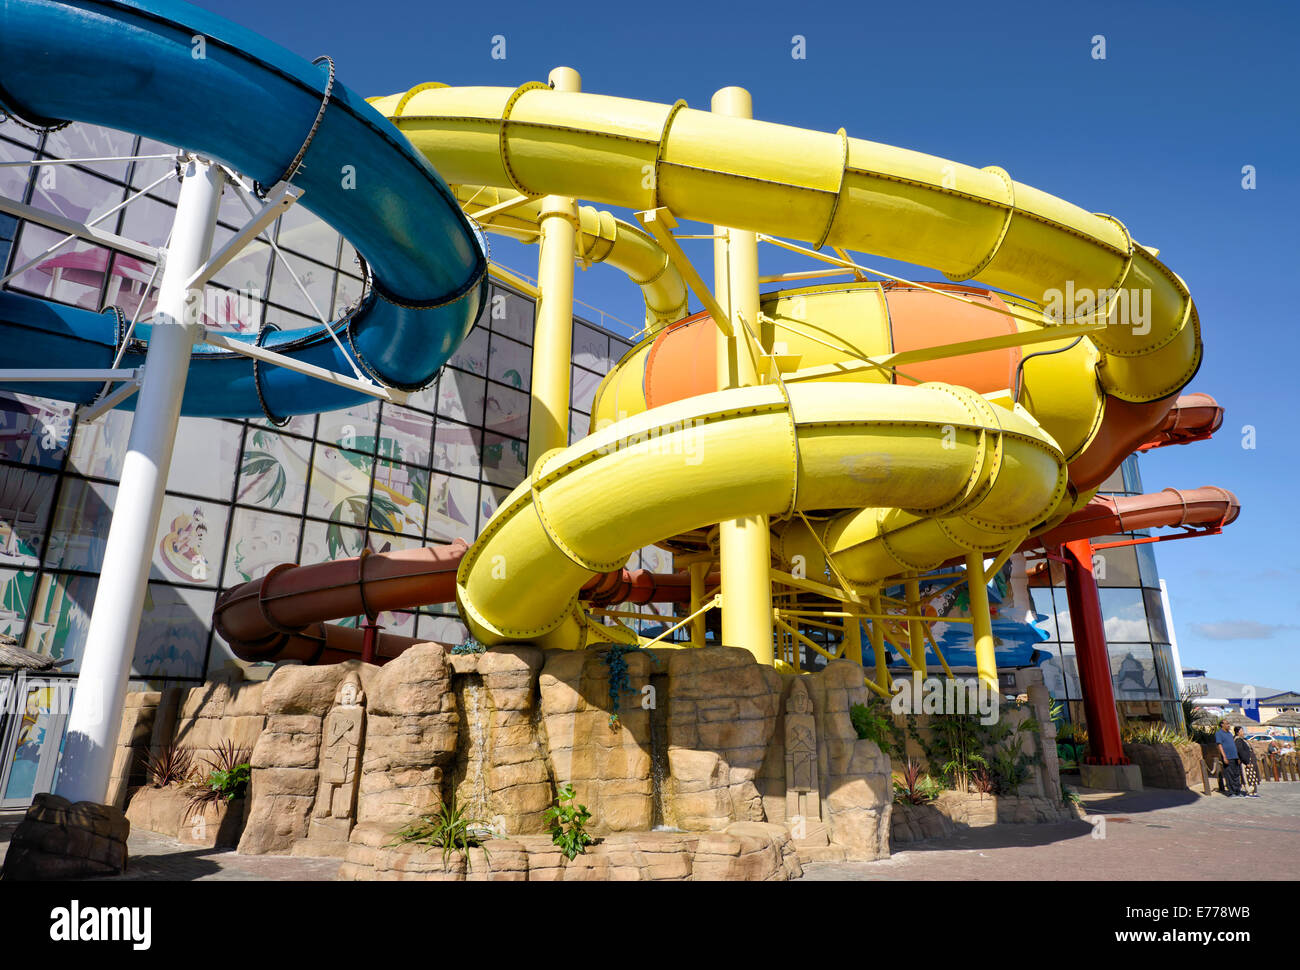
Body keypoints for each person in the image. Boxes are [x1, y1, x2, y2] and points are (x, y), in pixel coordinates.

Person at [1215, 719, 1243, 796]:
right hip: (1228, 757)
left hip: (1234, 756)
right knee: (1229, 775)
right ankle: (1231, 792)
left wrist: (1238, 757)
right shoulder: (1219, 733)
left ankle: (1237, 790)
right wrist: (1224, 757)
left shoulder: (1230, 734)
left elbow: (1233, 745)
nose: (1228, 725)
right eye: (1227, 723)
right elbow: (1219, 745)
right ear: (1222, 725)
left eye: (1228, 723)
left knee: (1236, 774)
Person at [1234, 726, 1260, 796]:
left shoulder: (1243, 739)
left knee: (1252, 776)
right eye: (1241, 731)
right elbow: (1241, 752)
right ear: (1238, 732)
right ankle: (1249, 791)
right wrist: (1246, 761)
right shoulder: (1238, 740)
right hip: (1246, 761)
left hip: (1251, 760)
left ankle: (1254, 791)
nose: (1243, 732)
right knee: (1247, 777)